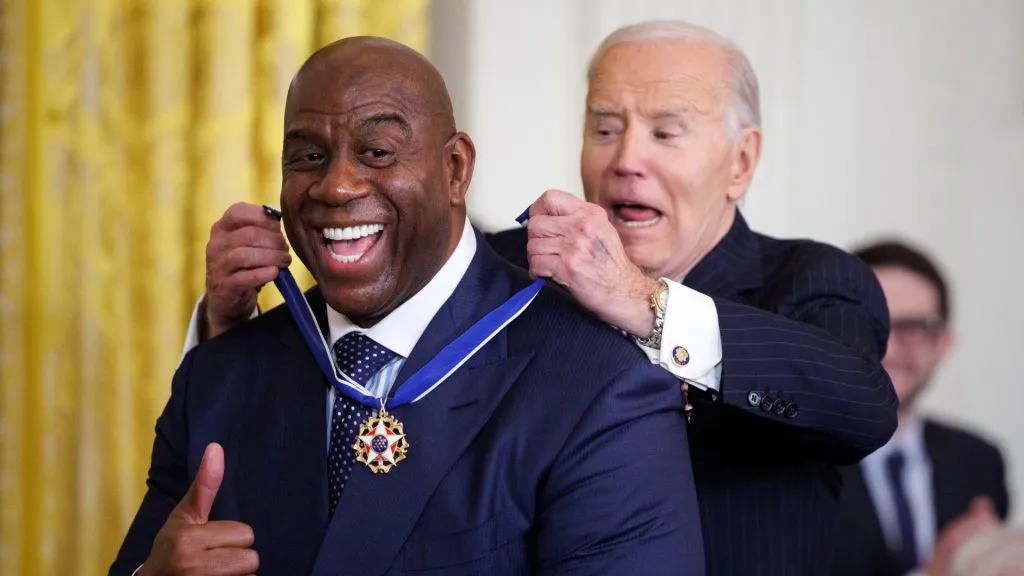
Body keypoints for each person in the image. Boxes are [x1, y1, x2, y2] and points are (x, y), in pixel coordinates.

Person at [182, 20, 898, 575]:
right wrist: (225, 323)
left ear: (741, 160)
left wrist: (642, 300)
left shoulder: (810, 280)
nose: (626, 159)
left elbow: (861, 404)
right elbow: (353, 329)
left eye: (665, 132)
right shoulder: (505, 268)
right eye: (605, 127)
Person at [110, 37, 704, 576]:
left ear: (455, 169)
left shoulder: (601, 387)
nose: (336, 186)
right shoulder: (218, 374)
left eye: (376, 151)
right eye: (308, 156)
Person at [832, 240, 1010, 576]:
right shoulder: (788, 465)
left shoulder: (980, 460)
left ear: (944, 343)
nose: (891, 346)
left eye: (915, 327)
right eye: (873, 323)